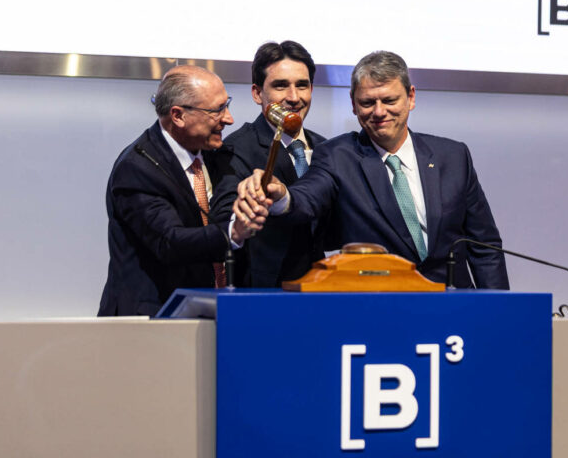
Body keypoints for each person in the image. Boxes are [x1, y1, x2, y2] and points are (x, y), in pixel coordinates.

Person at [236, 51, 509, 289]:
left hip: (455, 305)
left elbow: (484, 247)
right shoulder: (337, 156)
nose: (379, 112)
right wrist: (282, 195)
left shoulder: (453, 156)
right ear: (353, 104)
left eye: (389, 100)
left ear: (411, 97)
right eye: (367, 103)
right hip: (380, 305)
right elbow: (307, 197)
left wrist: (499, 313)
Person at [99, 65, 265, 316]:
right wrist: (233, 232)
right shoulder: (137, 168)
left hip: (210, 314)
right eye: (217, 110)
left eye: (226, 105)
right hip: (152, 320)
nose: (228, 119)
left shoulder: (216, 155)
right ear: (178, 115)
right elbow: (170, 242)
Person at [224, 41, 329, 287]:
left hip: (323, 290)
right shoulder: (234, 149)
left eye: (302, 85)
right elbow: (226, 221)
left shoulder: (326, 149)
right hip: (263, 293)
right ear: (257, 93)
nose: (293, 98)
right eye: (280, 86)